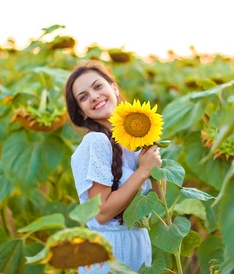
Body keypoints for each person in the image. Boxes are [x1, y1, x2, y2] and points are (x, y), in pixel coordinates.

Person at [64, 60, 164, 273]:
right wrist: (143, 170)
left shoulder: (136, 139)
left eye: (98, 86)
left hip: (138, 244)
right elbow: (102, 214)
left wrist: (153, 162)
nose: (94, 96)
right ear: (82, 112)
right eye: (83, 97)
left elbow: (161, 204)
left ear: (114, 88)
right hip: (109, 252)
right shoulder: (96, 142)